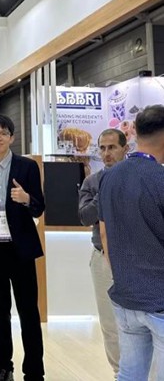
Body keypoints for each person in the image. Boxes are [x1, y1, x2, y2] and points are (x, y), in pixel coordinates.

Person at [0, 114, 45, 381]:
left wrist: (26, 198)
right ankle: (4, 367)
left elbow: (39, 206)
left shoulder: (27, 167)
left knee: (28, 312)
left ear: (12, 138)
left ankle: (34, 372)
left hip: (20, 249)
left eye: (4, 133)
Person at [99, 104, 164, 381]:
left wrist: (120, 276)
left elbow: (104, 235)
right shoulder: (160, 179)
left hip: (125, 296)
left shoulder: (109, 177)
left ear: (135, 132)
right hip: (159, 298)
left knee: (129, 375)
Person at [78, 128, 127, 377]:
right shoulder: (92, 182)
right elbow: (85, 217)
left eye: (112, 147)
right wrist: (106, 191)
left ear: (125, 149)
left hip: (136, 257)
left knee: (144, 320)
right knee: (110, 322)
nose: (107, 153)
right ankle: (120, 373)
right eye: (103, 148)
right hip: (102, 258)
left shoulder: (139, 178)